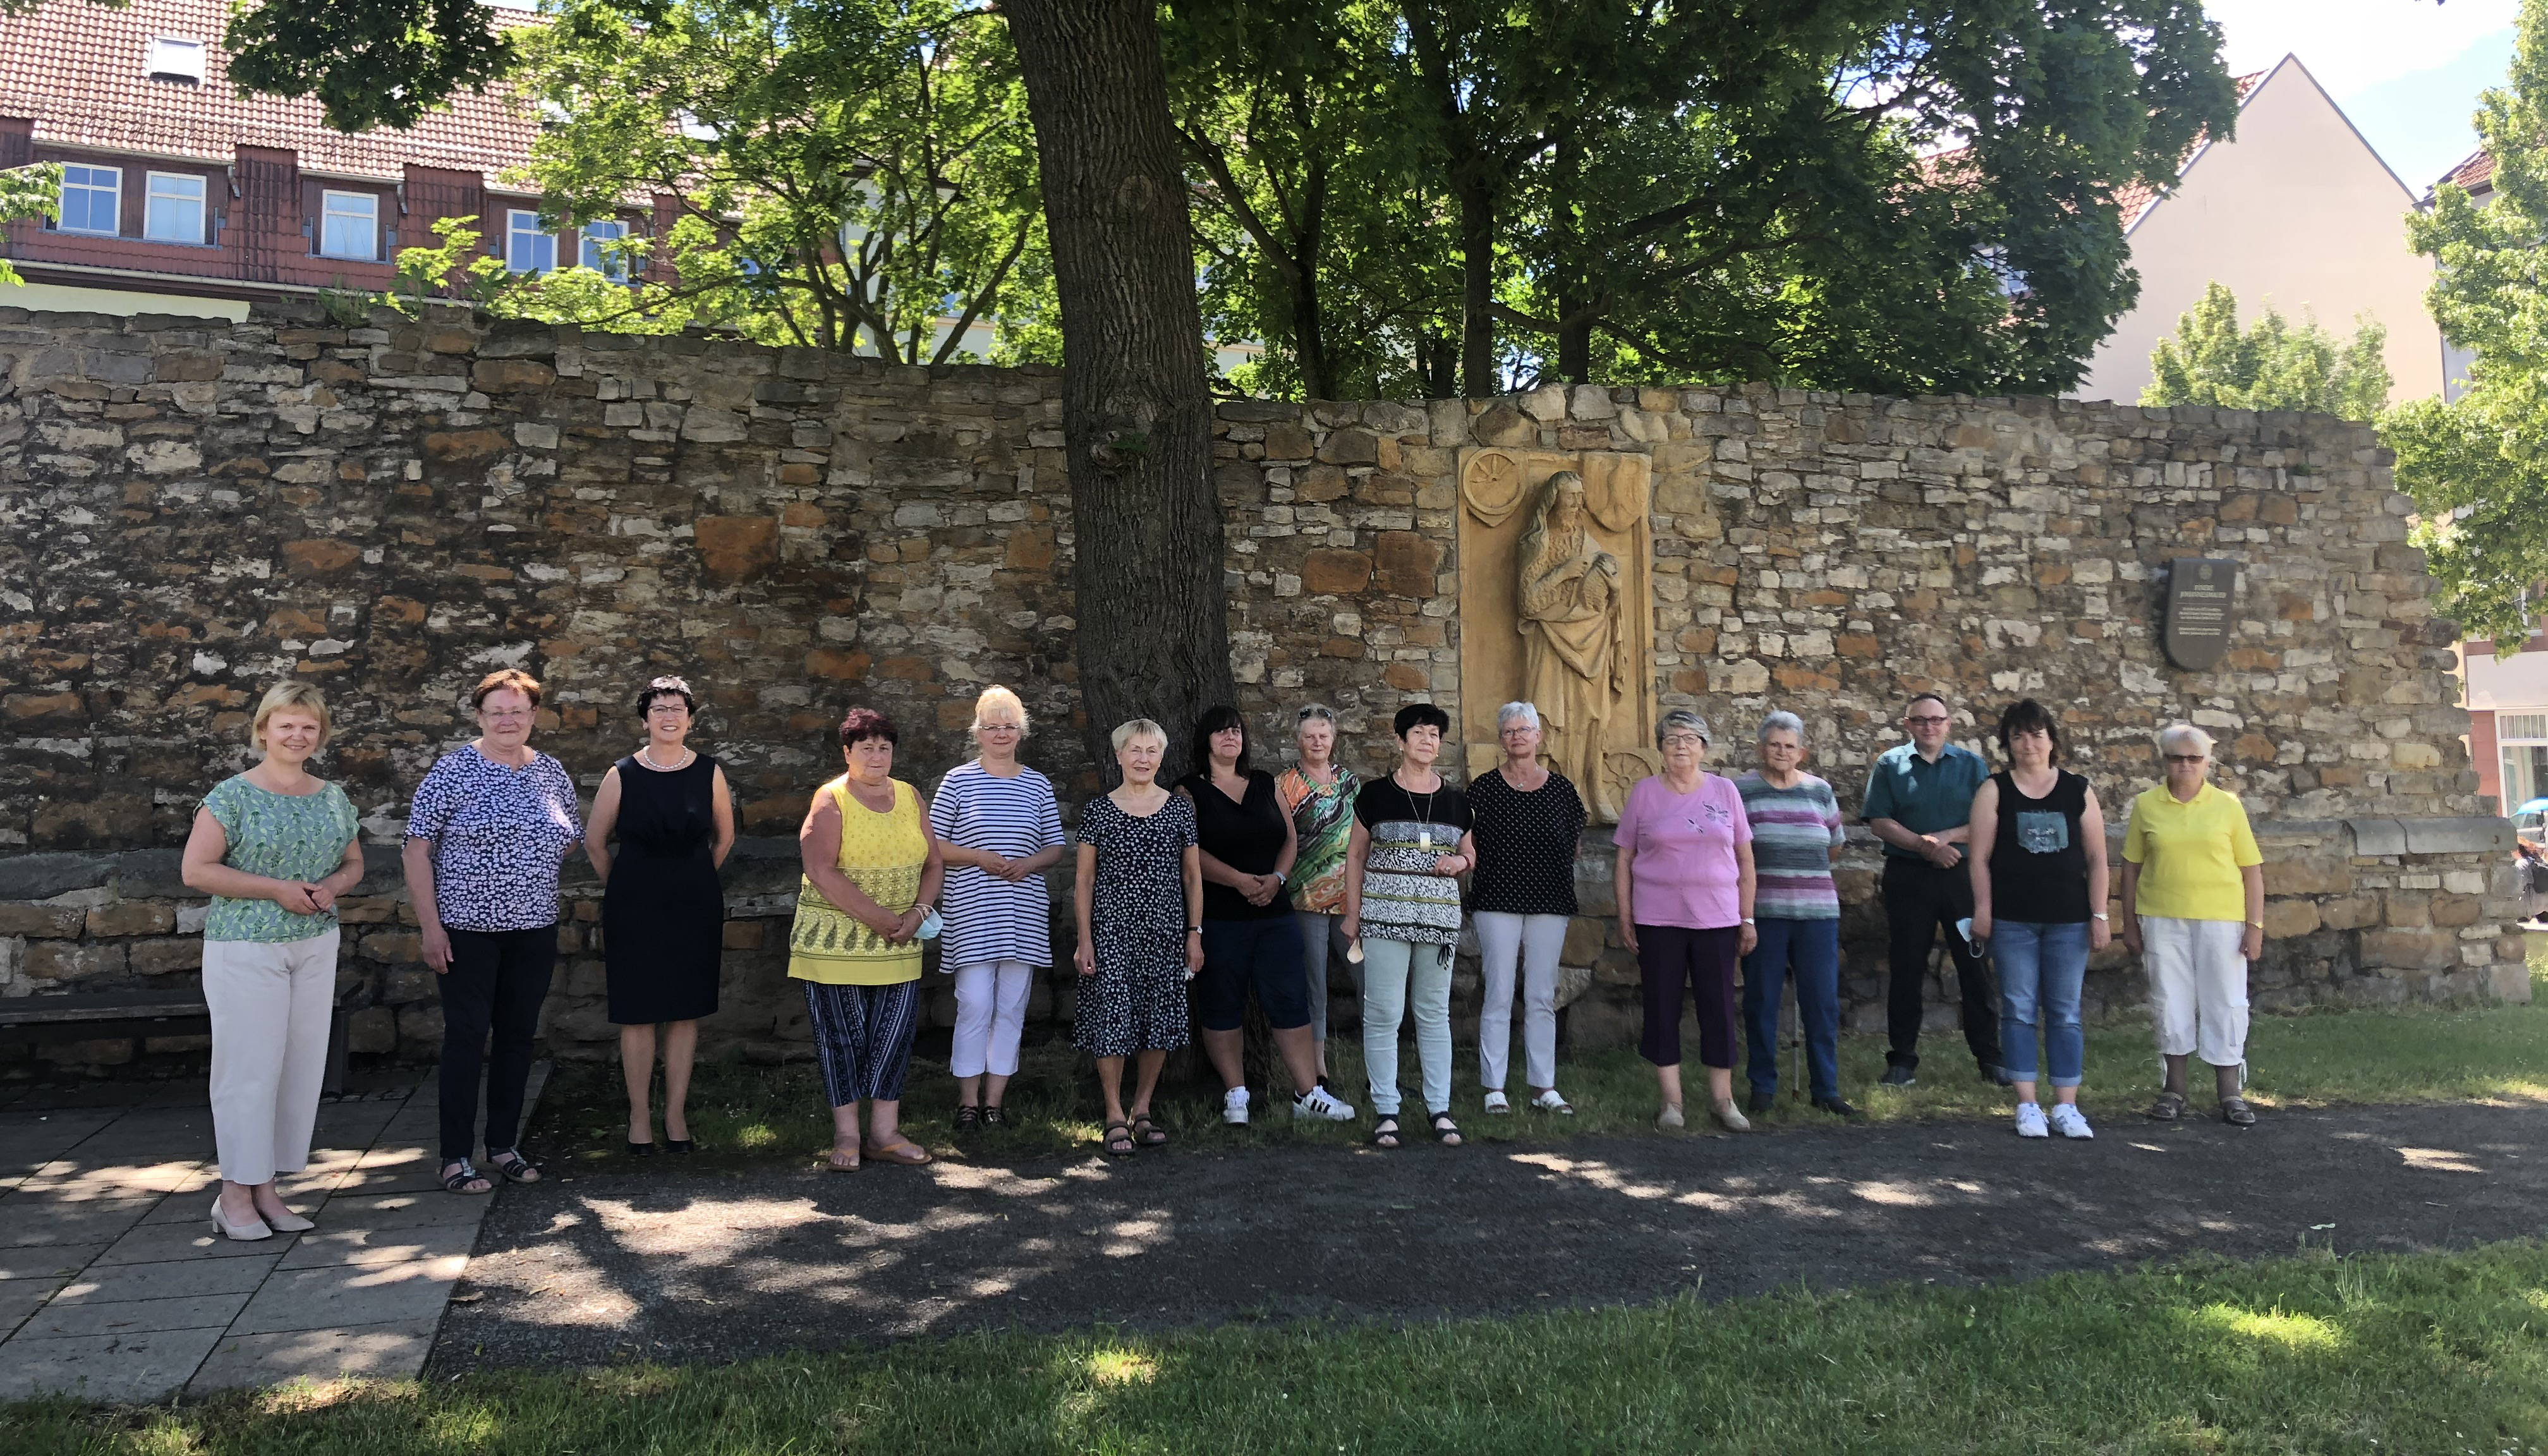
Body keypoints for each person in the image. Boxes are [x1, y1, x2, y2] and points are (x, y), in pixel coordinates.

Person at [181, 682, 363, 1240]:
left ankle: (267, 1188)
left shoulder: (332, 796)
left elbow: (353, 862)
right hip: (246, 945)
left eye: (308, 727)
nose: (297, 735)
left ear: (320, 734)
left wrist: (333, 885)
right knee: (249, 1070)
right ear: (263, 730)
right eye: (286, 725)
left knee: (297, 1068)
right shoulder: (231, 796)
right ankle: (232, 1194)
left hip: (313, 942)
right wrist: (275, 890)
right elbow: (197, 870)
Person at [405, 669, 585, 1196]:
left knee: (516, 1037)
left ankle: (502, 1144)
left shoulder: (551, 772)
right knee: (466, 1038)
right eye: (496, 712)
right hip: (466, 930)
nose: (508, 720)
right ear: (480, 717)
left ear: (534, 716)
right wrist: (430, 928)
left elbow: (569, 836)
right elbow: (417, 850)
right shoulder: (452, 771)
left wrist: (525, 858)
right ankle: (455, 1156)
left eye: (518, 711)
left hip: (533, 928)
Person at [1177, 706, 1356, 1124]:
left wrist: (1277, 877)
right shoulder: (1188, 790)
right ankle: (1235, 1093)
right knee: (1222, 1003)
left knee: (1291, 1001)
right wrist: (1238, 880)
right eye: (1221, 733)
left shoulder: (1264, 783)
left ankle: (1308, 1094)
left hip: (1274, 913)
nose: (1230, 739)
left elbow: (1289, 838)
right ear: (1206, 741)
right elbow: (1188, 852)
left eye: (1236, 732)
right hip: (1221, 916)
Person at [787, 707, 944, 1170]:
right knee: (843, 1040)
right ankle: (847, 1136)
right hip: (836, 947)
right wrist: (879, 919)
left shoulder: (911, 795)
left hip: (901, 943)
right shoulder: (831, 798)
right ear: (848, 752)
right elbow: (819, 869)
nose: (876, 757)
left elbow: (933, 863)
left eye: (884, 748)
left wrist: (917, 913)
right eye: (866, 748)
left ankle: (885, 1134)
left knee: (891, 1040)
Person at [585, 676, 734, 1158]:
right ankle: (639, 1117)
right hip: (634, 903)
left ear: (690, 718)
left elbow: (724, 839)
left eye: (677, 709)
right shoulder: (621, 773)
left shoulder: (709, 771)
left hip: (694, 901)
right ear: (645, 718)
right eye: (658, 709)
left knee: (685, 1010)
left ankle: (675, 1114)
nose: (668, 716)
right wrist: (629, 885)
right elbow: (595, 842)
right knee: (638, 1012)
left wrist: (690, 878)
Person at [1968, 700, 2110, 1141]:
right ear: (2008, 744)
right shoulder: (1994, 790)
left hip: (2069, 922)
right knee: (2018, 1010)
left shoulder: (2077, 790)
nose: (2028, 744)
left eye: (2036, 735)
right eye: (2018, 736)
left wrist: (2100, 913)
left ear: (2052, 740)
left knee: (2066, 1013)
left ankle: (2066, 1107)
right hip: (2013, 922)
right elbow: (1979, 858)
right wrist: (1984, 910)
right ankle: (2027, 1104)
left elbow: (2098, 857)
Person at [930, 686, 1066, 1132]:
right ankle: (967, 1102)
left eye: (1009, 725)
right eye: (992, 726)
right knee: (973, 1004)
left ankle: (994, 1103)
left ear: (1021, 731)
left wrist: (1029, 863)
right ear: (979, 733)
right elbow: (932, 845)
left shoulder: (1037, 783)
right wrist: (978, 857)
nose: (1001, 734)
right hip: (972, 911)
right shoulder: (958, 781)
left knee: (1011, 1009)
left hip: (1022, 912)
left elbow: (1056, 846)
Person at [1342, 701, 1477, 1148]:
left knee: (1433, 1014)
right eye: (1419, 732)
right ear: (1400, 741)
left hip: (1438, 924)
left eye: (1435, 734)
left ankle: (1440, 1109)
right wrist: (1353, 913)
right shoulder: (1375, 795)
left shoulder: (1458, 801)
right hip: (1383, 919)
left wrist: (1459, 860)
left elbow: (1470, 855)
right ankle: (1386, 1111)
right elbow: (1356, 856)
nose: (1428, 740)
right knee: (1383, 1013)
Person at [1616, 710, 1757, 1133]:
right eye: (1672, 738)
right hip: (1659, 919)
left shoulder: (1726, 790)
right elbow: (1624, 858)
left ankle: (1722, 1099)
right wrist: (1626, 916)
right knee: (1662, 1007)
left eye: (1690, 738)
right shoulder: (1643, 793)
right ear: (1660, 748)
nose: (1680, 745)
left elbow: (1746, 858)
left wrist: (1747, 917)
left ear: (1704, 747)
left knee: (1719, 1007)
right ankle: (1672, 1102)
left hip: (1717, 918)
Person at [2120, 723, 2266, 1127]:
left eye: (2194, 758)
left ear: (2207, 762)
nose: (2185, 765)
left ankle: (2230, 1093)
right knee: (2171, 1000)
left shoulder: (2228, 806)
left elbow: (2251, 869)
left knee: (2226, 1000)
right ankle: (2174, 1090)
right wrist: (2128, 923)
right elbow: (2130, 868)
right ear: (2163, 760)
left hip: (2222, 918)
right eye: (2176, 758)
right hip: (2162, 916)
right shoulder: (2146, 805)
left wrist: (2254, 925)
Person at [1861, 691, 2006, 1088]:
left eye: (1936, 719)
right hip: (1908, 877)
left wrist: (1942, 841)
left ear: (1948, 724)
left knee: (1974, 966)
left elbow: (1988, 820)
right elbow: (1879, 821)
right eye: (1920, 720)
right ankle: (1903, 1061)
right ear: (1907, 724)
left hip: (1962, 875)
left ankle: (1990, 1058)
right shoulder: (1889, 764)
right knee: (1907, 967)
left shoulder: (1971, 765)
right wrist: (1926, 848)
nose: (1929, 726)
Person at [1074, 719, 1204, 1156]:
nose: (1143, 759)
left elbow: (1192, 876)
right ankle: (1113, 1113)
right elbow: (1085, 881)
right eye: (1135, 750)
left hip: (1166, 932)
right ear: (1119, 756)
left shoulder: (1179, 810)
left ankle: (1142, 1109)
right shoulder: (1098, 811)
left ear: (1161, 757)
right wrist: (1085, 938)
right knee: (1112, 1019)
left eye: (1151, 751)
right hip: (1111, 931)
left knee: (1158, 1021)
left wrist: (1194, 934)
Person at [1466, 701, 1586, 1116]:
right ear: (1501, 739)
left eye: (1524, 729)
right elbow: (1470, 845)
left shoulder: (1562, 790)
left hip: (1549, 901)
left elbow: (1574, 845)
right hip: (1496, 899)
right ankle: (1494, 1086)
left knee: (1540, 995)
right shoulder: (1482, 789)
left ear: (1539, 736)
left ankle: (1543, 1086)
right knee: (1498, 992)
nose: (1517, 736)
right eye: (1509, 731)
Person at [1733, 711, 1854, 1119]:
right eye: (1774, 744)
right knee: (1761, 1001)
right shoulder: (1741, 790)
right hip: (1764, 913)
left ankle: (1826, 1088)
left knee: (1822, 1004)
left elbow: (1834, 845)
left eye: (1789, 746)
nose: (1781, 752)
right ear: (1760, 748)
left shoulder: (1820, 791)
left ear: (1802, 751)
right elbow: (1734, 850)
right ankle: (1763, 1086)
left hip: (1818, 914)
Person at [1274, 705, 1361, 1089]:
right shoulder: (1284, 784)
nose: (1317, 742)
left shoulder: (1350, 782)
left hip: (1351, 899)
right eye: (1310, 736)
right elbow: (1281, 838)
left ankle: (1378, 1068)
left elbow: (1363, 837)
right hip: (1304, 898)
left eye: (1323, 735)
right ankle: (1319, 1069)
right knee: (1315, 986)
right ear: (1298, 741)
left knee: (1368, 979)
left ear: (1334, 740)